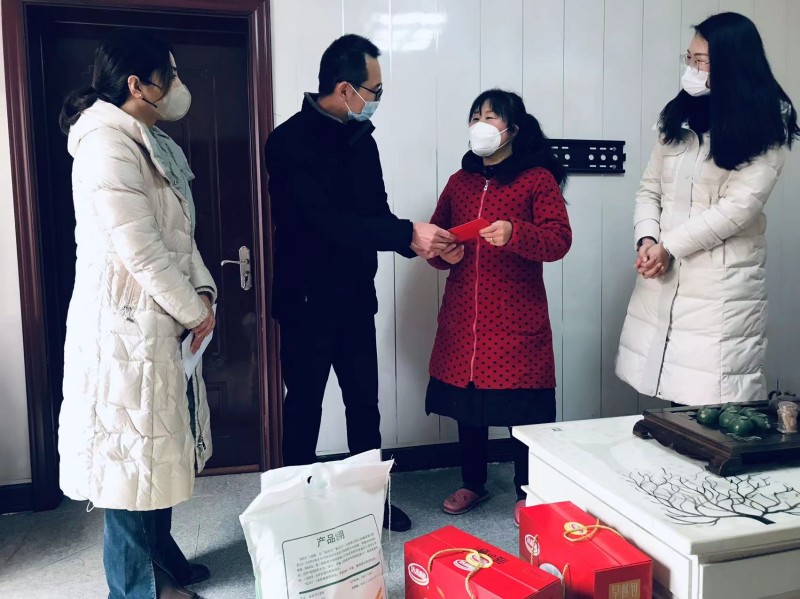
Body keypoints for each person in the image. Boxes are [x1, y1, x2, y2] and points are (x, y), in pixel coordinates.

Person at [265, 34, 454, 532]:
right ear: (345, 88)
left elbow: (376, 213)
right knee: (303, 406)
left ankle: (373, 500)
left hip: (354, 299)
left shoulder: (361, 140)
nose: (377, 100)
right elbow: (325, 222)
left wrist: (422, 243)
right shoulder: (287, 142)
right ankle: (294, 506)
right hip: (306, 302)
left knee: (364, 406)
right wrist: (405, 234)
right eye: (375, 90)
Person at [58, 29, 217, 599]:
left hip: (157, 323)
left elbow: (180, 236)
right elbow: (141, 251)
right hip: (122, 331)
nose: (176, 85)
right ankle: (134, 588)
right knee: (127, 464)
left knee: (158, 449)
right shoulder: (106, 144)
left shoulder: (151, 141)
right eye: (168, 75)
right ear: (137, 85)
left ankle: (161, 559)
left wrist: (203, 293)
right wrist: (192, 309)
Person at [616, 12, 799, 406]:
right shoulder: (679, 115)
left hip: (720, 283)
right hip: (663, 267)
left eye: (701, 61)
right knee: (668, 384)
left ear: (732, 64)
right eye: (689, 58)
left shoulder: (766, 122)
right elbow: (650, 188)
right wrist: (647, 238)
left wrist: (669, 246)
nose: (691, 69)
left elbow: (738, 209)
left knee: (711, 395)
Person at [424, 89, 572, 525]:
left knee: (522, 411)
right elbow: (435, 238)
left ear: (513, 130)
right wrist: (442, 253)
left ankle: (529, 489)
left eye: (491, 117)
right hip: (464, 316)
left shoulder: (536, 179)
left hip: (515, 316)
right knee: (469, 406)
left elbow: (559, 240)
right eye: (476, 116)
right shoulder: (460, 181)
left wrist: (515, 233)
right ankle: (473, 482)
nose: (481, 124)